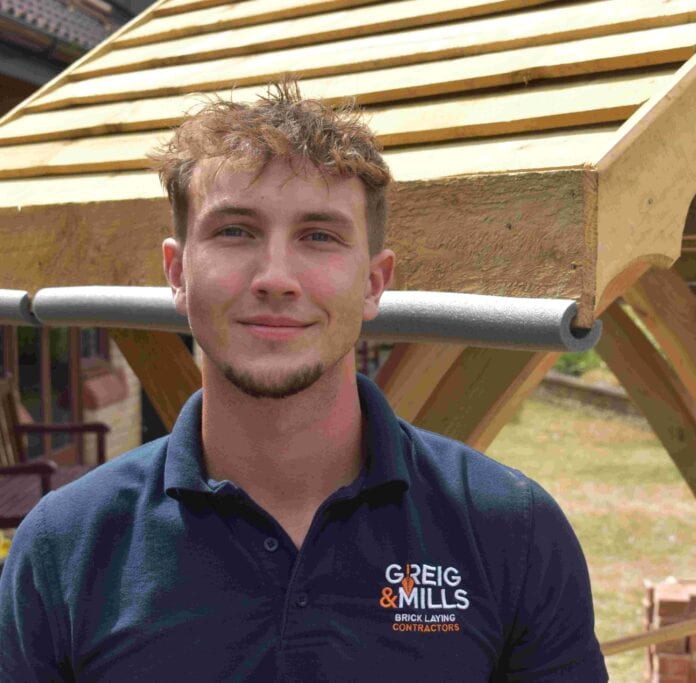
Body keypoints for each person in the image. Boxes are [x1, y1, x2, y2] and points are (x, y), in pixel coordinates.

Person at [0, 81, 608, 681]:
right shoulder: (65, 546)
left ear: (373, 283)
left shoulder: (511, 529)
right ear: (177, 271)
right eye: (235, 231)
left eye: (319, 236)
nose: (276, 277)